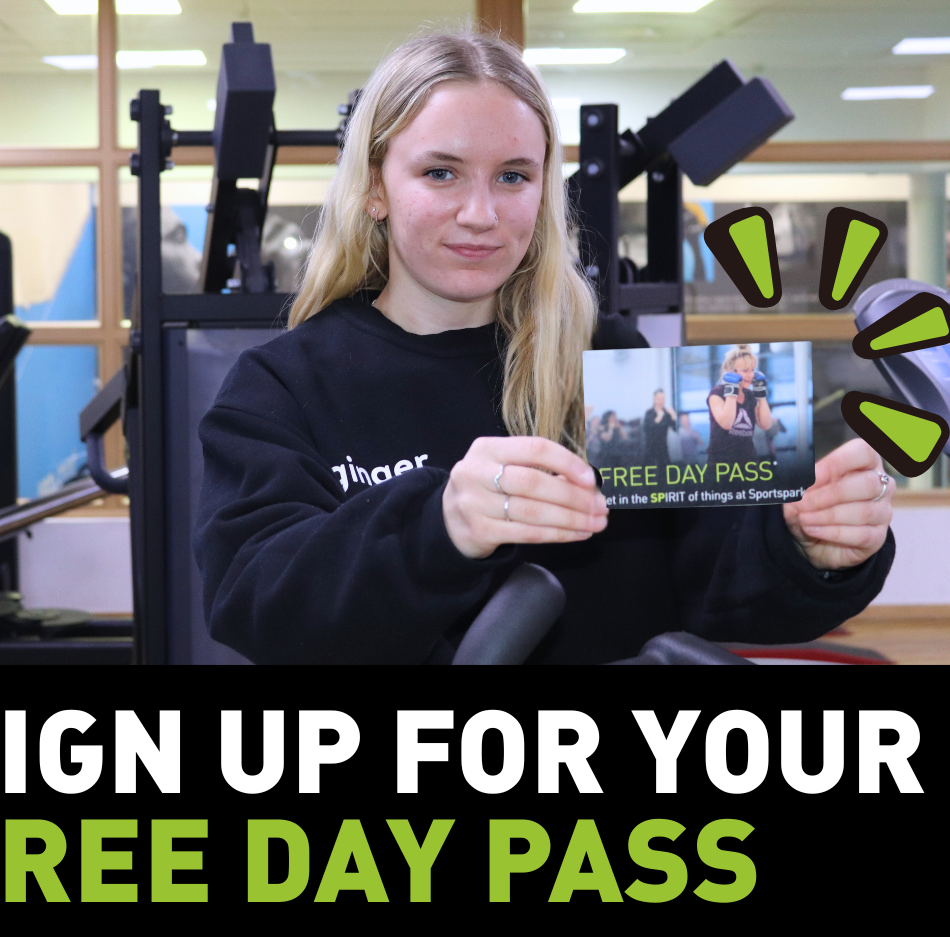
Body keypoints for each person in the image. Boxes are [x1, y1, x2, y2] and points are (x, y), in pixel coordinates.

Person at [195, 29, 895, 664]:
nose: (481, 213)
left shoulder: (606, 359)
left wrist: (814, 547)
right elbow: (259, 604)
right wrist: (439, 526)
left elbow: (720, 572)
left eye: (513, 176)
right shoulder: (284, 385)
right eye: (440, 173)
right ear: (376, 187)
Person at [707, 345, 772, 464]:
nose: (750, 375)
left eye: (752, 370)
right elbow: (726, 424)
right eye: (745, 371)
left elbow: (766, 424)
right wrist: (732, 390)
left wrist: (761, 395)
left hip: (748, 462)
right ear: (730, 371)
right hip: (721, 464)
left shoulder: (749, 395)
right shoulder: (717, 393)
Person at [643, 389, 676, 470]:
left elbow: (675, 429)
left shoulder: (666, 413)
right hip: (651, 448)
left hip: (664, 448)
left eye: (663, 399)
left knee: (665, 472)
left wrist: (673, 416)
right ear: (654, 399)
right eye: (659, 398)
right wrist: (659, 416)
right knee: (651, 473)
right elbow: (647, 428)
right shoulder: (649, 412)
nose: (661, 401)